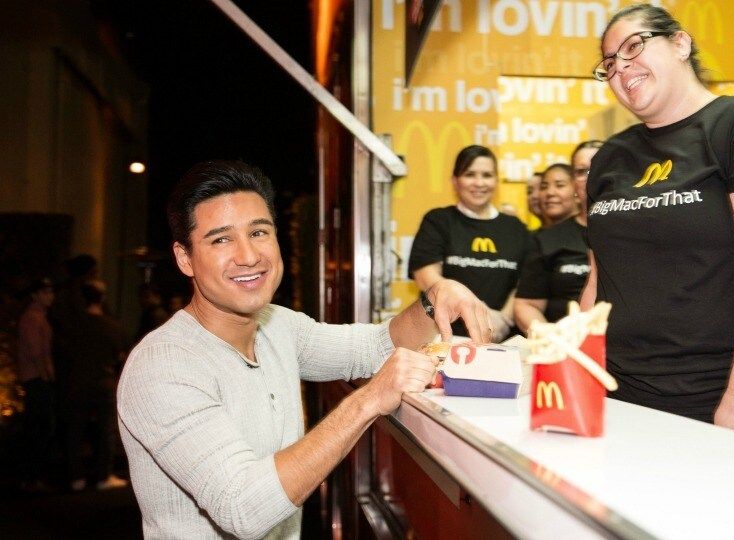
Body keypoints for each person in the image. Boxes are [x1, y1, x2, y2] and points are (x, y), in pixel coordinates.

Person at [117, 160, 490, 539]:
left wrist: (435, 298)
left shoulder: (277, 325)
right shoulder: (163, 365)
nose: (248, 256)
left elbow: (374, 347)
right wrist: (367, 401)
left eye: (259, 232)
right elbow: (242, 507)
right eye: (221, 239)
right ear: (184, 257)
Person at [581, 4, 734, 443]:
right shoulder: (611, 158)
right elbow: (599, 280)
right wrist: (574, 370)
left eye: (634, 46)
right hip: (621, 395)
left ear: (680, 43)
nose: (621, 68)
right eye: (609, 63)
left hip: (719, 394)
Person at [408, 145, 530, 341]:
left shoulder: (515, 227)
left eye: (487, 175)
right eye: (470, 174)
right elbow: (425, 276)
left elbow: (526, 283)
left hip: (501, 338)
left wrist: (504, 320)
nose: (479, 182)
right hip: (446, 336)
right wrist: (477, 312)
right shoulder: (438, 220)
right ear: (455, 181)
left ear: (496, 180)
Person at [66, 280, 129, 491]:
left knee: (75, 429)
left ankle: (76, 477)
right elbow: (121, 355)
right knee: (106, 429)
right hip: (104, 382)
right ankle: (103, 475)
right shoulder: (111, 326)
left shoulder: (73, 325)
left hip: (78, 381)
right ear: (101, 299)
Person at [514, 163, 591, 331]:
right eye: (544, 186)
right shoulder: (542, 240)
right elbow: (526, 304)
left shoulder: (618, 233)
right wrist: (552, 339)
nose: (550, 193)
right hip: (560, 341)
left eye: (560, 185)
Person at [16, 277, 56, 492]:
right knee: (40, 428)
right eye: (46, 292)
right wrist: (47, 376)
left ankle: (31, 477)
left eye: (51, 292)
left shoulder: (37, 316)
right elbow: (37, 352)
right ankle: (31, 477)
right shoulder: (33, 317)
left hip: (36, 378)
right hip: (36, 379)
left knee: (39, 428)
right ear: (35, 295)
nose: (51, 296)